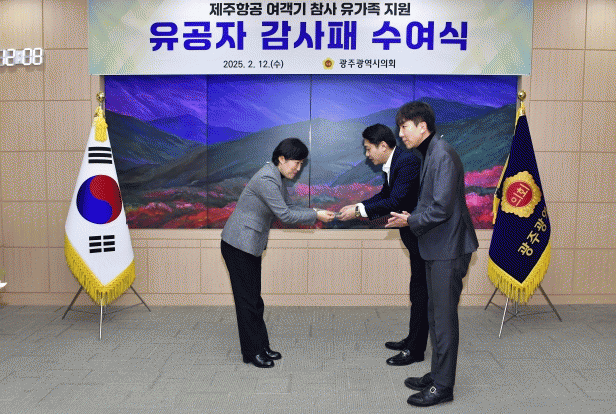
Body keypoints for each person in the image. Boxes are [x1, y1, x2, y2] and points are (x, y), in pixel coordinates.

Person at [386, 101, 479, 407]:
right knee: (435, 315)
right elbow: (433, 203)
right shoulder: (431, 152)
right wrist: (413, 216)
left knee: (444, 319)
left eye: (404, 127)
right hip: (436, 247)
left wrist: (410, 221)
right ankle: (438, 373)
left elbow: (441, 208)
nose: (401, 134)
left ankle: (443, 387)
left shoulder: (443, 155)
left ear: (422, 126)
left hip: (448, 249)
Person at [221, 138, 335, 368]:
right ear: (281, 159)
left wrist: (315, 211)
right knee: (247, 301)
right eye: (296, 162)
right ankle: (252, 352)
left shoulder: (276, 177)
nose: (298, 168)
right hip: (238, 245)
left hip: (249, 244)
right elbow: (284, 215)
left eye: (302, 164)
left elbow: (289, 208)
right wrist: (316, 215)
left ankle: (261, 346)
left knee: (254, 300)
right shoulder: (266, 179)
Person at [338, 124, 428, 367]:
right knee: (417, 290)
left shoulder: (406, 162)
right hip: (414, 235)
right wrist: (358, 207)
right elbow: (385, 195)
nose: (367, 154)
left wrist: (359, 211)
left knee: (421, 292)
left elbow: (396, 200)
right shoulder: (396, 162)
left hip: (423, 237)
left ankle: (415, 349)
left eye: (369, 149)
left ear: (383, 146)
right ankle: (413, 340)